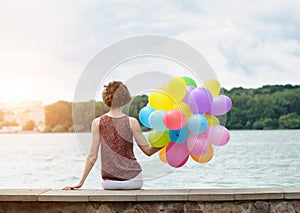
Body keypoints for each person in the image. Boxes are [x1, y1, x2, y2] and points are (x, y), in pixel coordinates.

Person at [63, 81, 161, 190]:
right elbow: (148, 151)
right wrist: (168, 140)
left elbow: (92, 156)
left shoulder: (97, 122)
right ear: (125, 99)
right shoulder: (131, 122)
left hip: (109, 183)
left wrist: (80, 183)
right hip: (133, 181)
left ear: (107, 98)